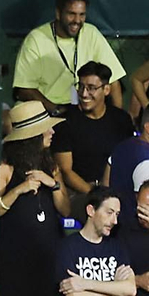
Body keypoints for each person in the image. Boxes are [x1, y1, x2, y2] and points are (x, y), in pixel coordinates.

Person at [0, 102, 70, 296]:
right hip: (15, 263)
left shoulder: (51, 165)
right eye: (46, 129)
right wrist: (19, 190)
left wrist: (53, 184)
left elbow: (65, 209)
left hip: (47, 260)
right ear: (32, 136)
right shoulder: (6, 167)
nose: (51, 133)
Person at [12, 0, 125, 111]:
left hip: (82, 108)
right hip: (47, 110)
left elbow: (114, 81)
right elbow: (24, 88)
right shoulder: (36, 39)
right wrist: (56, 110)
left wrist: (117, 117)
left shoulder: (91, 33)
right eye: (71, 14)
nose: (77, 20)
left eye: (82, 15)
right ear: (58, 14)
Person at [53, 61, 134, 197]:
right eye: (81, 86)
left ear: (106, 90)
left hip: (115, 189)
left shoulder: (121, 119)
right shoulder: (65, 122)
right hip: (80, 192)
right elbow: (66, 171)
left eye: (91, 88)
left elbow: (129, 158)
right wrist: (96, 195)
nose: (84, 94)